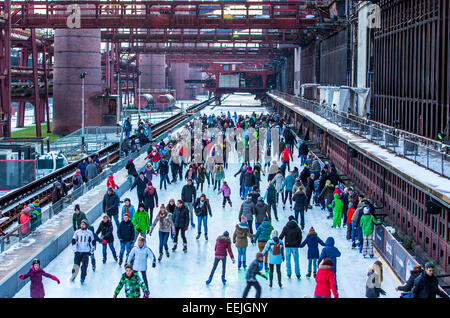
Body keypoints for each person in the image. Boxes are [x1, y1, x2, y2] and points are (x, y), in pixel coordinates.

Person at [71, 219, 95, 284]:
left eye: (83, 224)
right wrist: (75, 250)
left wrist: (91, 251)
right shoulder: (77, 232)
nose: (82, 225)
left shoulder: (89, 233)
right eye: (81, 224)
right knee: (76, 265)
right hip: (78, 252)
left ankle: (82, 278)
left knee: (84, 266)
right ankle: (73, 276)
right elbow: (73, 242)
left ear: (86, 225)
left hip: (86, 252)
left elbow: (92, 243)